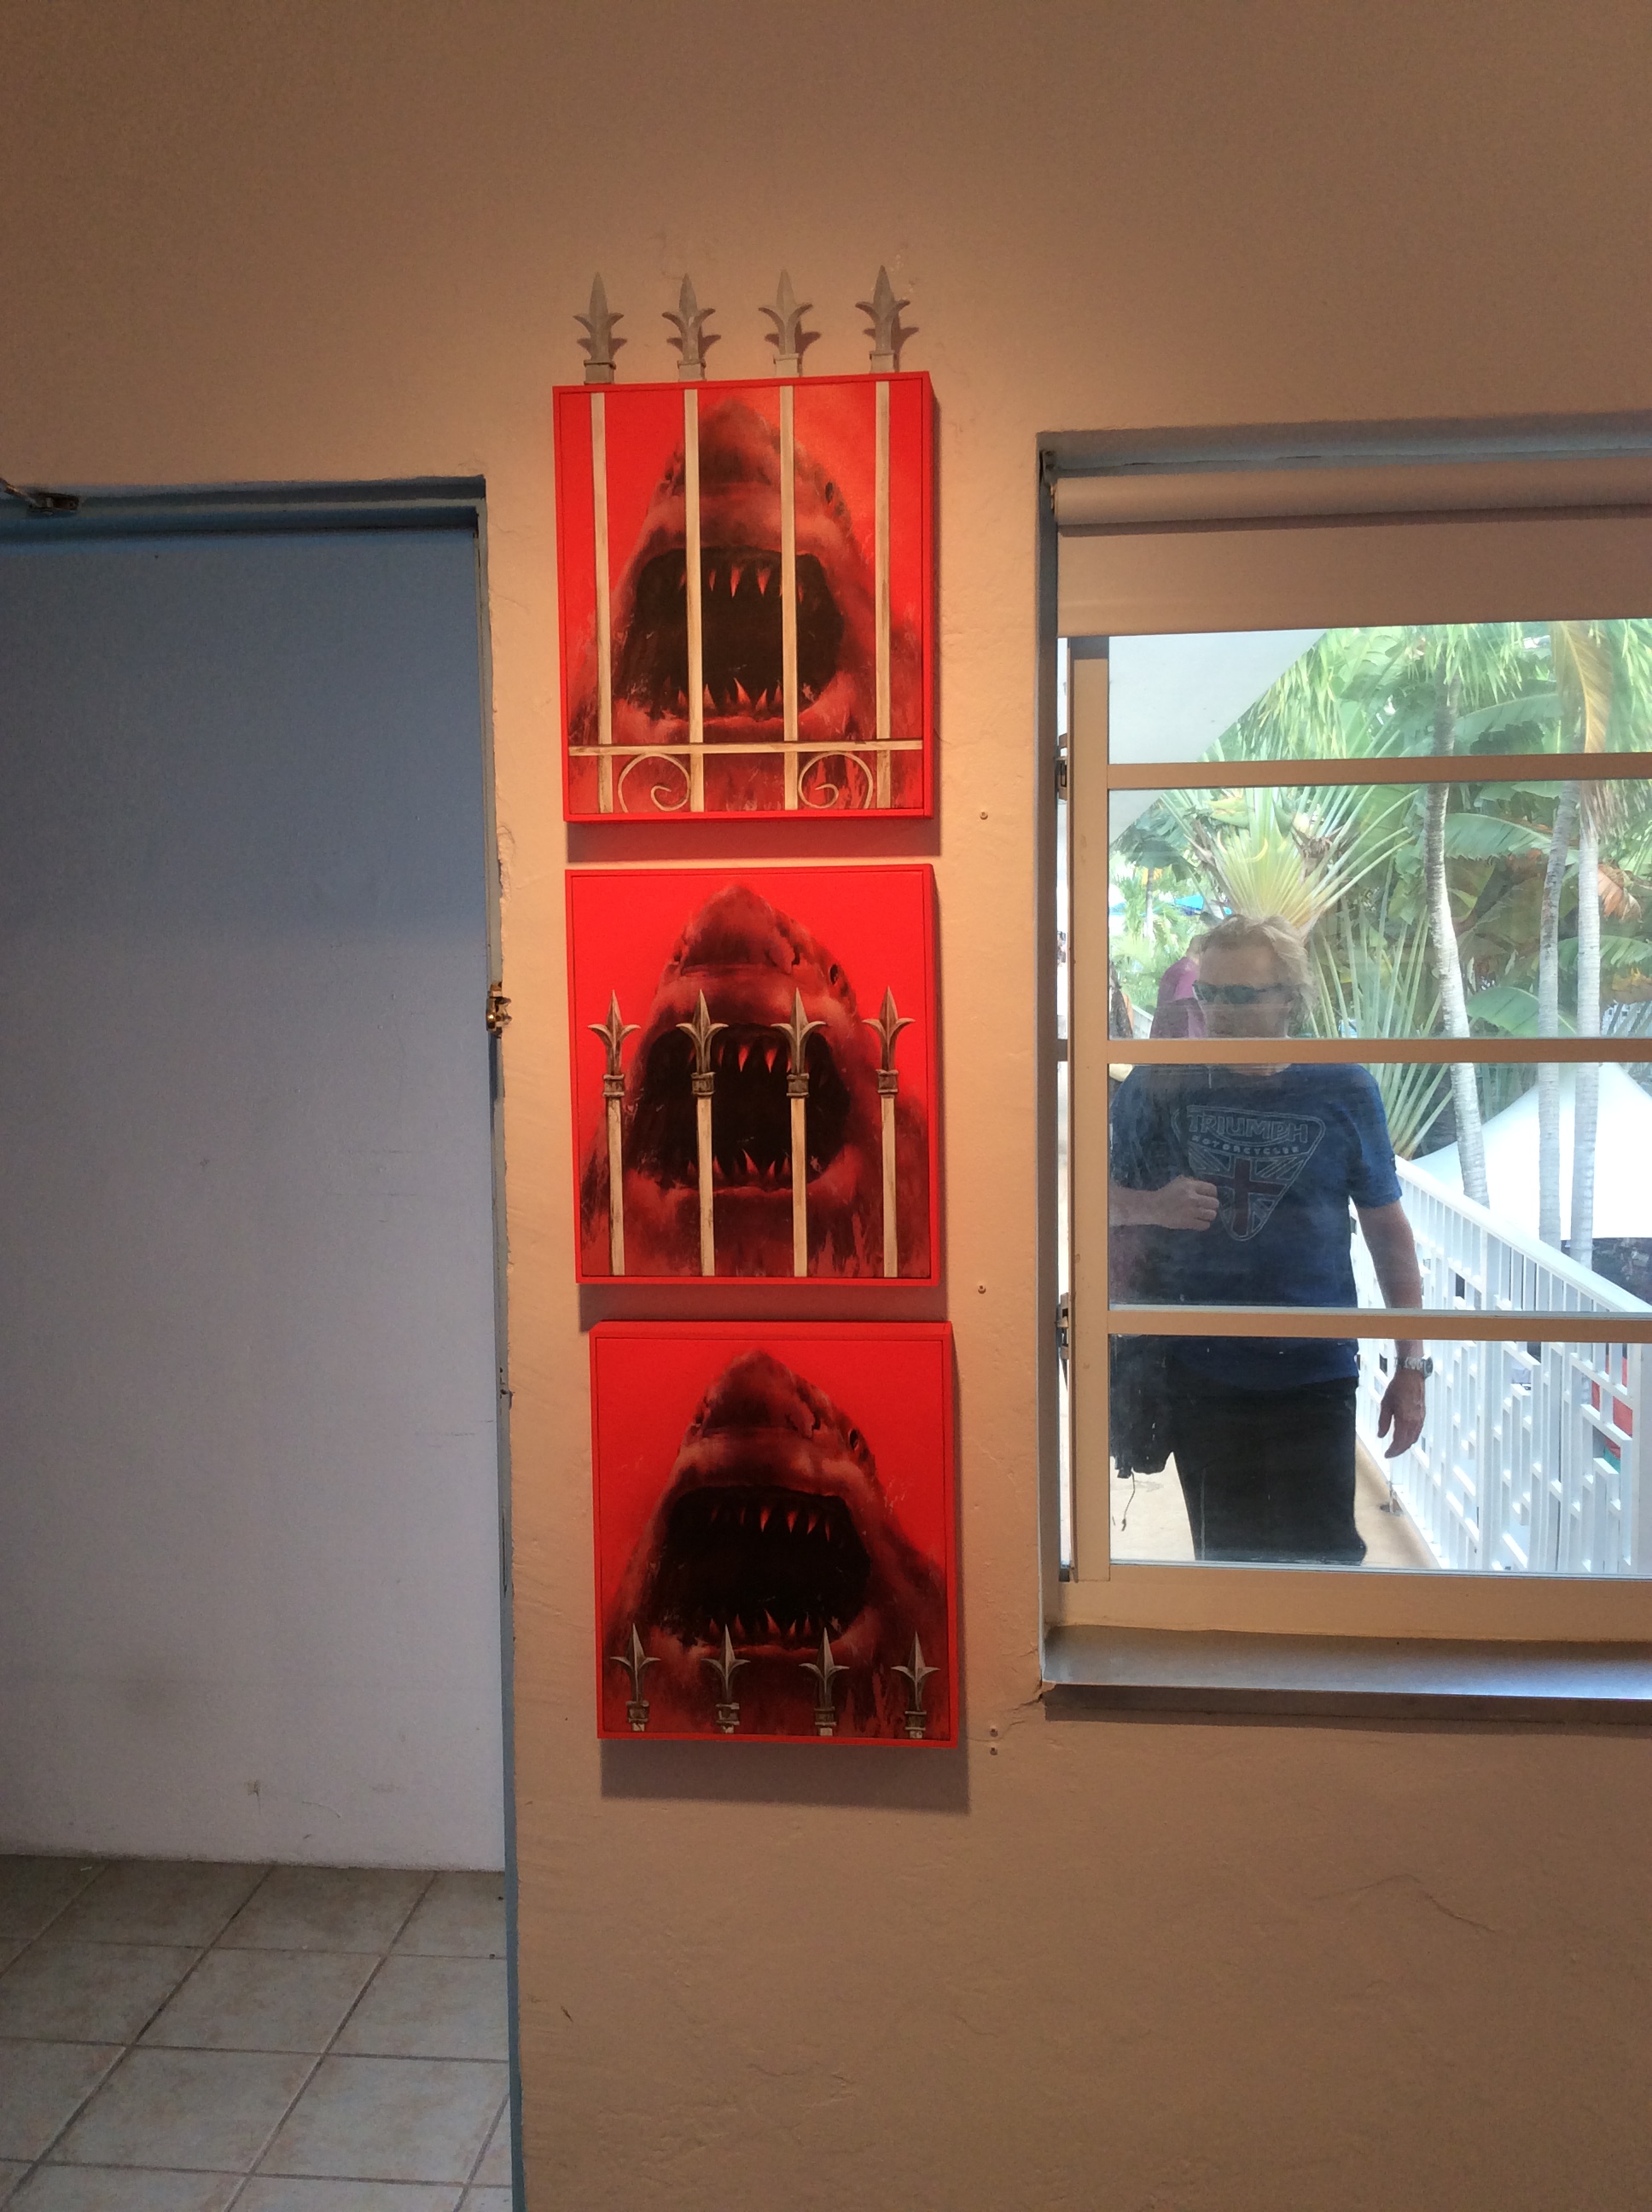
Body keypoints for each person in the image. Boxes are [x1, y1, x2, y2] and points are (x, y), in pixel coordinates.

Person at [1108, 913, 1427, 1564]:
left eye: (1241, 994)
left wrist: (1412, 1366)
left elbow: (1387, 1232)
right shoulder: (1162, 1082)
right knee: (1226, 1563)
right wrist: (1154, 1205)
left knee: (1325, 1563)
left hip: (1315, 1369)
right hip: (1200, 1370)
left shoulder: (1341, 1086)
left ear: (1289, 997)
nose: (1219, 1011)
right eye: (1210, 993)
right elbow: (1086, 1200)